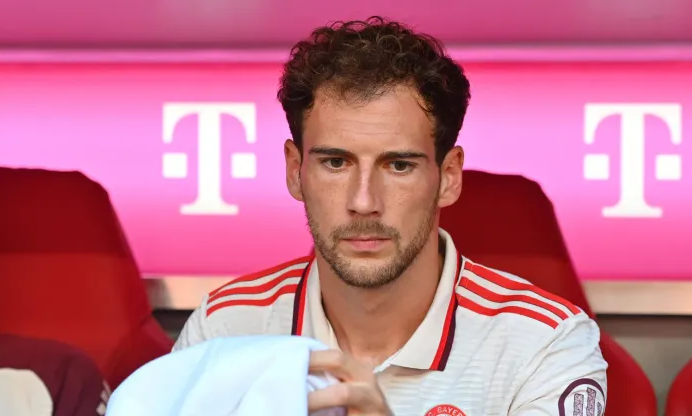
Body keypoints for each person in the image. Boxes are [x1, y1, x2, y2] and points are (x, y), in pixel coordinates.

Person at [174, 16, 607, 416]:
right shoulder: (225, 327)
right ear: (295, 171)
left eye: (398, 166)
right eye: (335, 163)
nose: (364, 202)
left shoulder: (545, 341)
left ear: (449, 178)